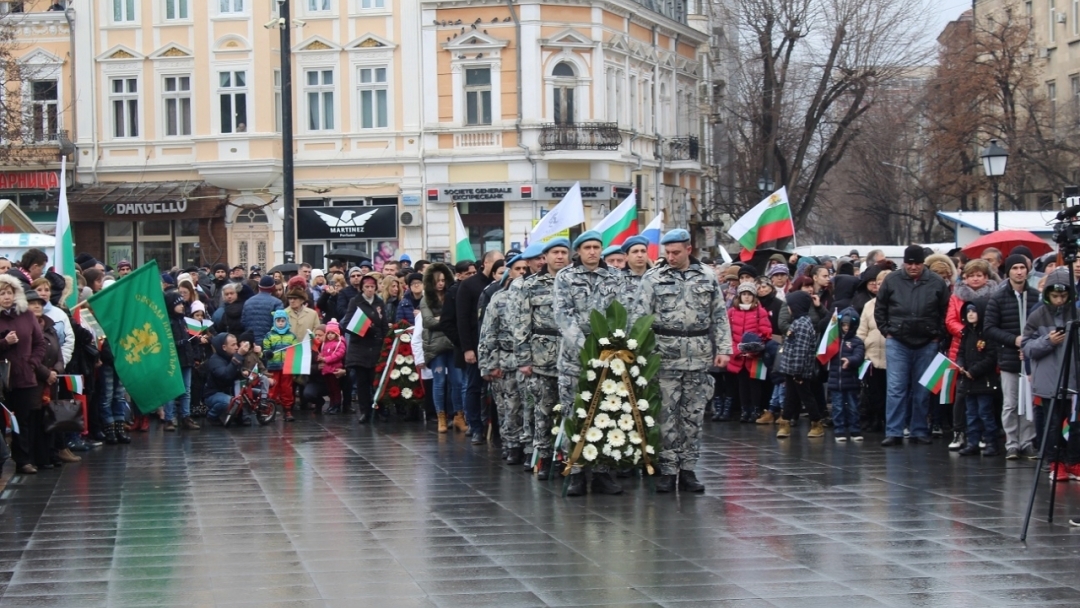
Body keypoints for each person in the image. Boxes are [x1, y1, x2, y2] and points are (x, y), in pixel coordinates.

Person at [632, 229, 731, 493]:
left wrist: (724, 348)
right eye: (667, 252)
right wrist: (639, 354)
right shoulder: (654, 278)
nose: (671, 257)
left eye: (676, 252)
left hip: (698, 355)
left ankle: (688, 469)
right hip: (664, 355)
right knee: (666, 415)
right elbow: (640, 318)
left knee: (693, 415)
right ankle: (667, 468)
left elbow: (719, 316)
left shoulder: (707, 277)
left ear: (689, 249)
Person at [875, 245, 950, 447]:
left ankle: (919, 429)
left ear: (923, 263)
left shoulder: (936, 282)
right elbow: (880, 308)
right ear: (904, 262)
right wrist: (887, 331)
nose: (913, 267)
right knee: (896, 388)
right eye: (910, 263)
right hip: (897, 341)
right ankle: (894, 431)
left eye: (917, 263)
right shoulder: (891, 280)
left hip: (927, 341)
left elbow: (945, 311)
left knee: (922, 389)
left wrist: (937, 335)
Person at [514, 239, 571, 480]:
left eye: (563, 252)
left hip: (571, 358)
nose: (559, 257)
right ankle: (544, 459)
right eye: (555, 253)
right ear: (544, 257)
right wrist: (523, 358)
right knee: (543, 410)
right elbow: (521, 323)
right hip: (542, 358)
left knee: (570, 411)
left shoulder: (574, 281)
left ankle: (567, 459)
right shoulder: (531, 285)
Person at [1022, 270, 1080, 477]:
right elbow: (1027, 347)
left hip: (1074, 380)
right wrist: (1049, 341)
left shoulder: (1076, 313)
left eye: (1063, 296)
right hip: (1049, 381)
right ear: (1047, 294)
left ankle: (1073, 461)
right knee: (1052, 424)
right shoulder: (1037, 314)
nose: (1059, 300)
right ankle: (1055, 463)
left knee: (1075, 425)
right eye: (1055, 296)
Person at [984, 254, 1041, 459]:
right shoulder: (998, 298)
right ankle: (1012, 443)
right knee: (1011, 403)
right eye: (1014, 268)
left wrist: (1030, 344)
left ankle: (1027, 441)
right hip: (1009, 358)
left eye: (1022, 268)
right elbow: (989, 328)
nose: (1019, 272)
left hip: (1032, 359)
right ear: (1008, 272)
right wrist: (1014, 340)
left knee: (1029, 401)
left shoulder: (1036, 296)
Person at [479, 255, 529, 466]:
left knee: (527, 407)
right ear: (509, 272)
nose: (522, 272)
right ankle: (511, 445)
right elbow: (488, 333)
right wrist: (489, 364)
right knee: (508, 407)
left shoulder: (532, 294)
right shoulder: (499, 298)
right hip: (505, 360)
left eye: (525, 268)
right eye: (517, 268)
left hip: (527, 361)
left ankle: (527, 446)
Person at [457, 250, 504, 444]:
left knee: (496, 389)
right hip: (475, 345)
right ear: (485, 263)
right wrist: (467, 348)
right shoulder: (469, 285)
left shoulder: (502, 284)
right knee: (474, 387)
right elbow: (462, 318)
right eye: (496, 262)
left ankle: (496, 429)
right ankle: (475, 426)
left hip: (496, 346)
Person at [0, 276, 47, 474]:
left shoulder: (26, 315)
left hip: (24, 376)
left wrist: (33, 363)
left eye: (9, 293)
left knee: (24, 419)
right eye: (2, 293)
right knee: (2, 421)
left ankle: (24, 460)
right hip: (2, 379)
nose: (6, 297)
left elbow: (40, 343)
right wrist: (4, 343)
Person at [957, 299, 1000, 456]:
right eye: (968, 311)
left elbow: (991, 357)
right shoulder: (966, 332)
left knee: (985, 412)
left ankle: (991, 442)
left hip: (984, 381)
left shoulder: (987, 333)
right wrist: (961, 365)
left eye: (974, 311)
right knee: (971, 413)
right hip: (969, 381)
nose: (970, 314)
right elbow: (961, 352)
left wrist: (974, 371)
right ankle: (973, 442)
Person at [725, 283, 773, 424]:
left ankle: (756, 409)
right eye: (744, 294)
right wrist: (737, 350)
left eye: (749, 294)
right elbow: (727, 334)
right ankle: (744, 410)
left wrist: (754, 348)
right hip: (738, 355)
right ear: (739, 296)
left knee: (755, 384)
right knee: (742, 384)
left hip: (754, 355)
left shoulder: (760, 311)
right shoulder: (732, 312)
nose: (746, 297)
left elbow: (765, 332)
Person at [421, 263, 460, 432]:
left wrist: (440, 319)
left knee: (457, 381)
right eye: (437, 280)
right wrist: (445, 320)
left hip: (452, 343)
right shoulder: (426, 299)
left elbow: (455, 318)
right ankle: (441, 417)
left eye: (444, 280)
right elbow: (427, 321)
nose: (441, 283)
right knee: (439, 381)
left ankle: (458, 415)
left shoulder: (452, 295)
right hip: (436, 346)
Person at [344, 275, 386, 423]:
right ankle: (365, 411)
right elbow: (347, 323)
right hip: (360, 347)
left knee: (376, 380)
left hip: (376, 347)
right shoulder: (355, 302)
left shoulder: (379, 302)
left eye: (372, 287)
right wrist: (364, 327)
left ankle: (379, 409)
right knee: (362, 382)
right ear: (362, 287)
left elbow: (384, 325)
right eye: (367, 287)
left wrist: (385, 341)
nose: (369, 290)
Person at [856, 269, 891, 434]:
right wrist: (861, 350)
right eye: (879, 283)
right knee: (873, 392)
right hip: (872, 356)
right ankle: (875, 419)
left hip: (891, 357)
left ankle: (888, 420)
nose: (881, 286)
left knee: (889, 391)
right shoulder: (868, 306)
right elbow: (862, 331)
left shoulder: (897, 305)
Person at [163, 284, 199, 432]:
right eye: (178, 304)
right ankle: (169, 418)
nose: (182, 306)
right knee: (171, 390)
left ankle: (185, 416)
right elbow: (167, 343)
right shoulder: (168, 322)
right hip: (174, 359)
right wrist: (180, 343)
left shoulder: (183, 320)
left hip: (186, 358)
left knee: (186, 389)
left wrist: (193, 342)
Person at [828, 307, 866, 442]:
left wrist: (850, 360)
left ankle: (855, 429)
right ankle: (839, 430)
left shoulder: (857, 341)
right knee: (837, 407)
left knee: (853, 406)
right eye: (843, 325)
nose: (845, 328)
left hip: (851, 380)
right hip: (835, 380)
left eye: (848, 325)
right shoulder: (833, 340)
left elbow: (859, 356)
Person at [204, 333, 252, 425]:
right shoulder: (215, 360)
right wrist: (238, 356)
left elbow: (237, 375)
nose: (236, 347)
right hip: (213, 394)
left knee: (252, 393)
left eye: (236, 344)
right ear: (224, 347)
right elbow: (226, 375)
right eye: (233, 345)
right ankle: (212, 415)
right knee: (229, 402)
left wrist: (245, 373)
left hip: (231, 391)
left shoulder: (232, 356)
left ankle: (240, 416)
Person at [263, 310, 299, 422]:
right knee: (272, 388)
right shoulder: (269, 335)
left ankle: (287, 409)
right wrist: (267, 353)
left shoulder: (291, 336)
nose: (280, 323)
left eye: (283, 321)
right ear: (274, 322)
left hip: (286, 367)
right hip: (273, 367)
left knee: (287, 389)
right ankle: (270, 408)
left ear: (287, 321)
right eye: (278, 321)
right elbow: (265, 348)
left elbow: (296, 350)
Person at [242, 276, 285, 341]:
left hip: (251, 342)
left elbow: (243, 322)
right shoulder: (277, 303)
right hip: (270, 342)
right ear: (273, 288)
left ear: (259, 287)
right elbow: (280, 324)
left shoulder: (248, 302)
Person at [319, 320, 347, 415]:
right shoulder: (325, 344)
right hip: (326, 370)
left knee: (336, 389)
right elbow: (322, 353)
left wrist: (326, 359)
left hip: (334, 370)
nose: (330, 335)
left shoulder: (339, 343)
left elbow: (339, 354)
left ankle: (337, 405)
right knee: (330, 389)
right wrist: (320, 358)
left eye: (332, 333)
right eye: (328, 333)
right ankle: (332, 405)